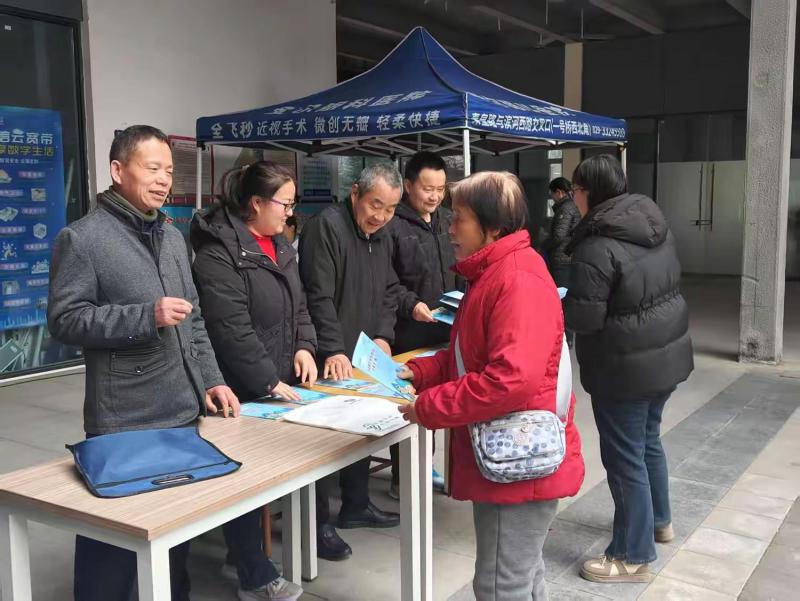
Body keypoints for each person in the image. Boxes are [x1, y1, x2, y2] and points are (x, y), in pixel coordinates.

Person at [47, 125, 240, 601]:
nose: (163, 180)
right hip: (124, 416)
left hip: (181, 408)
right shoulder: (83, 238)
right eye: (152, 168)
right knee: (110, 545)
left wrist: (211, 379)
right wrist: (144, 316)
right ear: (118, 170)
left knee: (174, 539)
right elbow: (65, 320)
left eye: (168, 171)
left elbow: (194, 318)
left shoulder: (172, 237)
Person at [397, 171, 585, 601]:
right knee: (521, 578)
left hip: (518, 461)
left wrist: (430, 406)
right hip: (510, 459)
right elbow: (473, 355)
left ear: (493, 227)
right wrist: (421, 372)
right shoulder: (496, 272)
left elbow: (510, 379)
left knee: (501, 586)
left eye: (459, 219)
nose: (450, 229)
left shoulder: (516, 280)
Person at [563, 154, 693, 584]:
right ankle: (659, 522)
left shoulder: (596, 244)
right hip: (664, 359)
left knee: (624, 458)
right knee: (647, 441)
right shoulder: (652, 224)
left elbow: (585, 318)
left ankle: (631, 555)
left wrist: (560, 304)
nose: (573, 198)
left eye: (575, 190)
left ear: (588, 192)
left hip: (625, 369)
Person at [191, 160, 317, 600]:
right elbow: (230, 328)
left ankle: (246, 555)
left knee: (270, 476)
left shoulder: (281, 246)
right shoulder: (218, 253)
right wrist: (267, 380)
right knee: (243, 479)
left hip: (278, 380)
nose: (290, 213)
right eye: (285, 204)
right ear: (257, 203)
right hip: (239, 387)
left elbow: (299, 305)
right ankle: (253, 573)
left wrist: (305, 345)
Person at [298, 162, 403, 561]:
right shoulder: (327, 226)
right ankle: (318, 524)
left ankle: (356, 504)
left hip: (365, 353)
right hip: (331, 354)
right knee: (325, 439)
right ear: (355, 193)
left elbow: (390, 289)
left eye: (390, 209)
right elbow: (317, 294)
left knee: (363, 425)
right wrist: (333, 348)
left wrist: (383, 335)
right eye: (375, 204)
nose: (381, 216)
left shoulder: (383, 233)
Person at [386, 151, 458, 499]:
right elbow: (386, 280)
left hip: (446, 328)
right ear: (408, 185)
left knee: (441, 401)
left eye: (441, 189)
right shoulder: (393, 224)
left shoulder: (448, 220)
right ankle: (405, 477)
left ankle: (428, 466)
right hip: (410, 332)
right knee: (411, 405)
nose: (434, 196)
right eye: (428, 189)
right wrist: (410, 303)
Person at [543, 176, 580, 288]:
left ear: (559, 192)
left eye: (552, 194)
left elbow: (559, 235)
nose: (552, 198)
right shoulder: (570, 206)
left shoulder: (566, 208)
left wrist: (544, 245)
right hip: (566, 257)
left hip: (562, 259)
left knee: (560, 292)